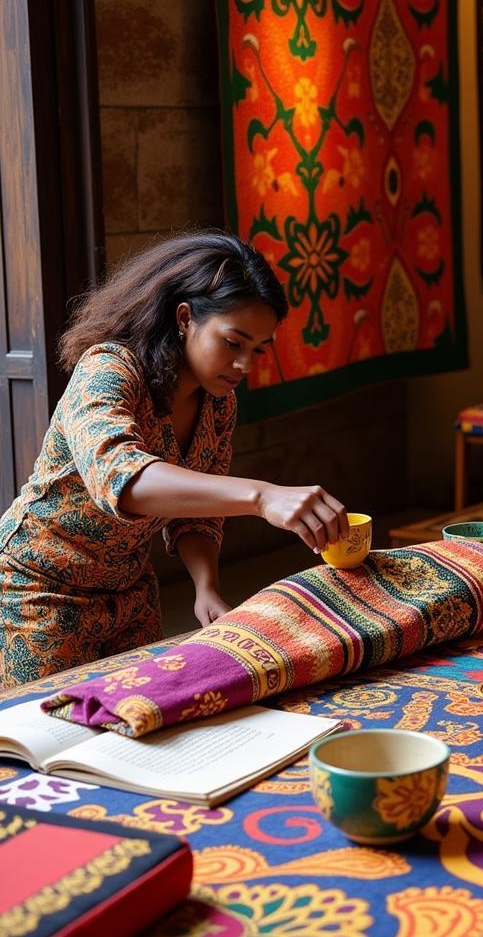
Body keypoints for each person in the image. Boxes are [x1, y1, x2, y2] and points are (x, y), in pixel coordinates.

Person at [0, 231, 350, 687]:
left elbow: (196, 516)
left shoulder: (218, 400)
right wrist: (261, 496)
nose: (245, 364)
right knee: (45, 738)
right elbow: (124, 480)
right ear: (185, 318)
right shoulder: (107, 369)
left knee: (138, 723)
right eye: (233, 342)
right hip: (40, 591)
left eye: (258, 350)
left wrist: (206, 586)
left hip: (131, 592)